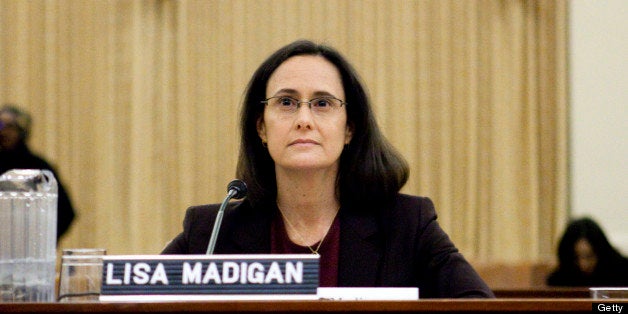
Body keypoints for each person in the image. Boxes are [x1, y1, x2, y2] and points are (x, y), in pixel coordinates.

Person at [162, 40, 494, 298]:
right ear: (261, 127)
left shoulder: (406, 225)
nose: (304, 120)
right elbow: (133, 300)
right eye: (286, 102)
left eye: (322, 104)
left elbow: (479, 308)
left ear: (349, 128)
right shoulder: (212, 233)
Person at [0, 104, 76, 240]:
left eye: (10, 127)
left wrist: (41, 240)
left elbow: (66, 212)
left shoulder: (38, 168)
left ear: (22, 131)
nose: (3, 132)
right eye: (1, 126)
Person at [547, 217, 628, 287]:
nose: (583, 264)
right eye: (576, 258)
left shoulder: (623, 272)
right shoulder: (559, 280)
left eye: (589, 256)